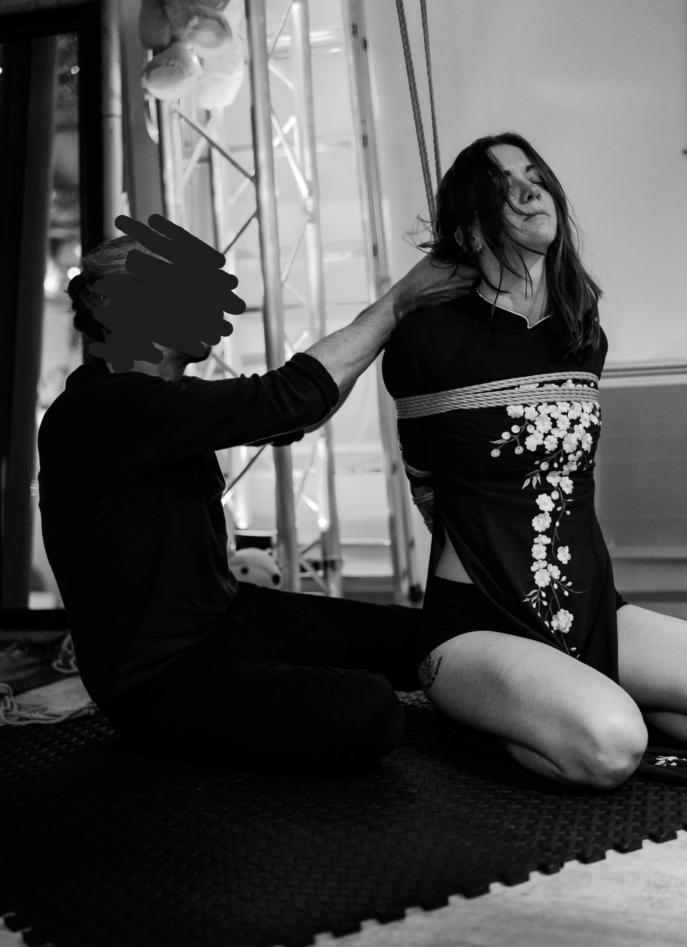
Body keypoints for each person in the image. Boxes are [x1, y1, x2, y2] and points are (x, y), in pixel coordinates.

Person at [37, 221, 474, 773]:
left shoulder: (162, 400)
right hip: (155, 680)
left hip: (225, 616)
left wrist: (400, 315)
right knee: (370, 710)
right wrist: (399, 302)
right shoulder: (104, 410)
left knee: (426, 638)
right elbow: (292, 398)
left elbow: (295, 416)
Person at [382, 131, 687, 790]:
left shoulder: (580, 332)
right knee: (612, 746)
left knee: (620, 724)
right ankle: (511, 712)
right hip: (478, 624)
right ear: (468, 231)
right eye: (501, 187)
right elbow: (423, 480)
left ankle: (581, 696)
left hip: (594, 614)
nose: (527, 192)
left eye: (533, 177)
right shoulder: (427, 339)